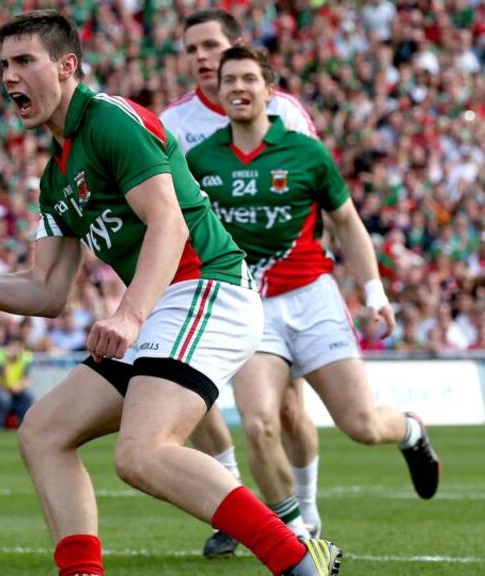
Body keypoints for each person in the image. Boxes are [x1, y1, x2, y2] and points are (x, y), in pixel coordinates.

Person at [0, 11, 341, 576]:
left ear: (66, 67)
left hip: (208, 287)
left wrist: (130, 315)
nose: (9, 77)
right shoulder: (55, 177)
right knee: (43, 432)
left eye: (24, 61)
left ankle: (297, 556)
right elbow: (46, 291)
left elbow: (170, 223)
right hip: (166, 305)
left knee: (141, 453)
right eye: (3, 65)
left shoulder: (110, 119)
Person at [185, 46, 441, 539]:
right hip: (250, 305)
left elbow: (346, 221)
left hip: (311, 296)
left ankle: (410, 430)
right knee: (260, 424)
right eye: (228, 80)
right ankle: (298, 537)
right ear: (217, 91)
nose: (238, 88)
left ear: (269, 90)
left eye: (248, 79)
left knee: (362, 425)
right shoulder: (200, 160)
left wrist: (374, 291)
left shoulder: (306, 152)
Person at [160, 9, 323, 556]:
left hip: (277, 280)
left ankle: (307, 510)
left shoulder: (287, 114)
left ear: (236, 51)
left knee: (285, 414)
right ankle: (231, 500)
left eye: (211, 46)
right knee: (190, 387)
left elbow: (309, 188)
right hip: (197, 278)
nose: (202, 59)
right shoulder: (173, 123)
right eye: (192, 50)